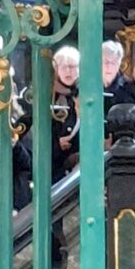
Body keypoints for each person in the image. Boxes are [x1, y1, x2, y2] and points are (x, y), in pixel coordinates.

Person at [50, 46, 80, 183]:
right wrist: (57, 143)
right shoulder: (50, 95)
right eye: (63, 67)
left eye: (72, 67)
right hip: (55, 164)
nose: (68, 71)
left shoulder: (86, 92)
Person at [102, 40, 130, 115]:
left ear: (119, 64)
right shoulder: (89, 85)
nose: (109, 67)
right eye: (106, 62)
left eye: (113, 63)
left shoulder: (129, 87)